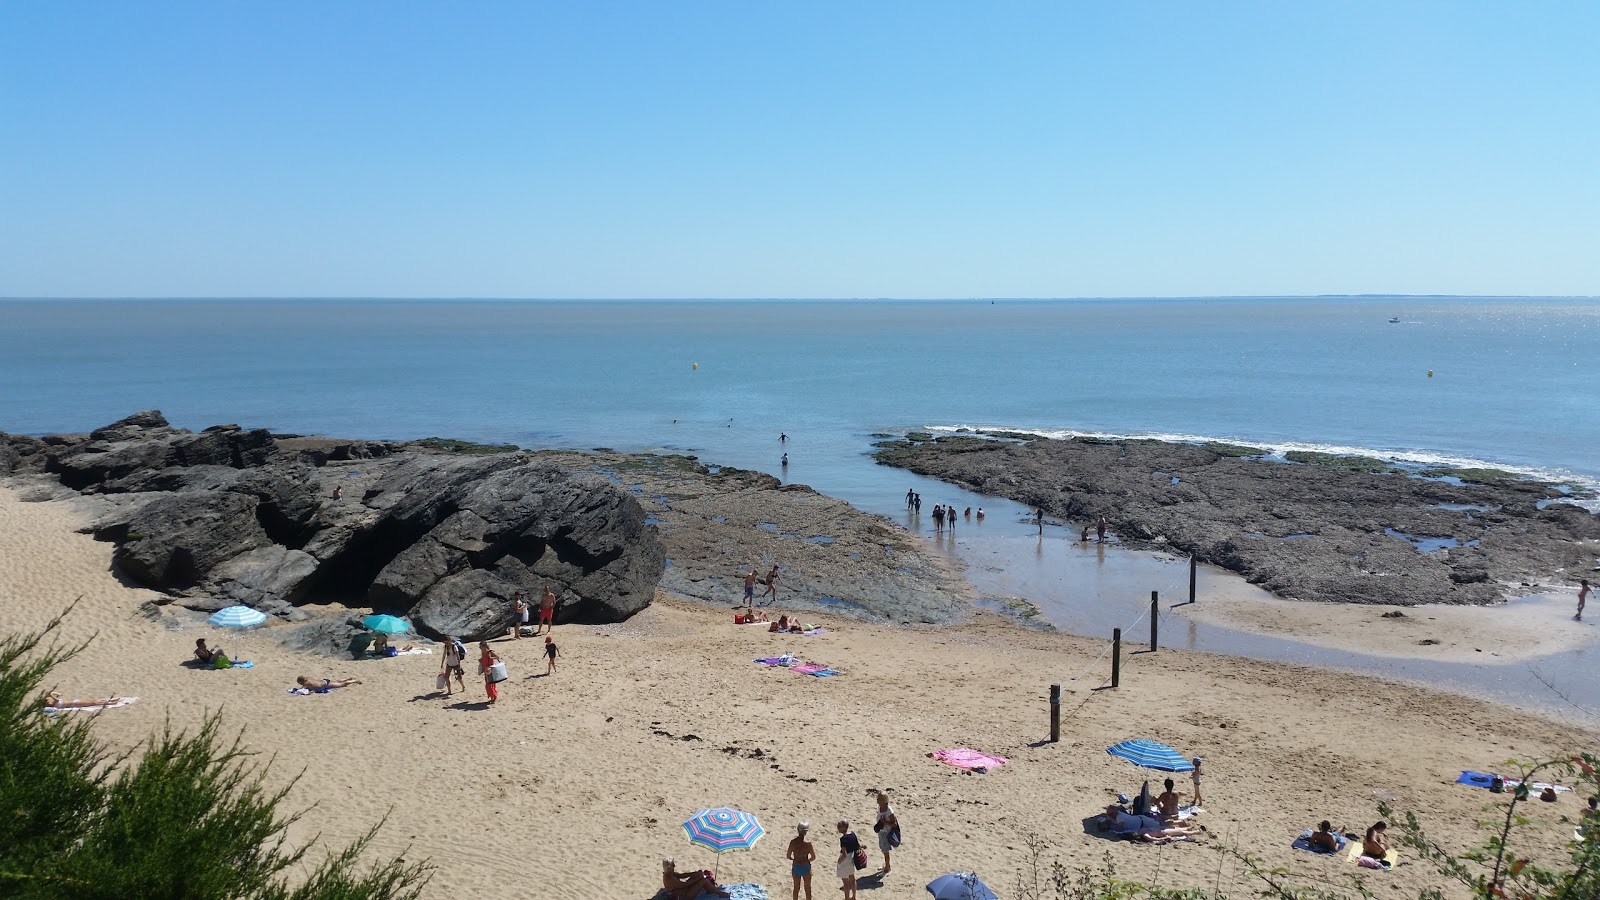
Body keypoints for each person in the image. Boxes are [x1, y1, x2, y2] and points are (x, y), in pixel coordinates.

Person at [662, 858, 726, 899]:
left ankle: (713, 891)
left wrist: (693, 874)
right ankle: (720, 894)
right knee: (702, 881)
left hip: (684, 890)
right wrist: (697, 879)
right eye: (673, 865)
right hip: (682, 896)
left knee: (699, 876)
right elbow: (684, 885)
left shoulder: (670, 873)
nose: (674, 866)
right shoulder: (669, 878)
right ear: (669, 867)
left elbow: (682, 875)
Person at [787, 822, 816, 900]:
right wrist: (807, 860)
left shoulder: (793, 842)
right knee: (807, 889)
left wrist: (795, 858)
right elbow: (813, 857)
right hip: (806, 866)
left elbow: (788, 856)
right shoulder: (808, 844)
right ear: (806, 832)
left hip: (796, 865)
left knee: (796, 888)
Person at [873, 791, 899, 874]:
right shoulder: (880, 807)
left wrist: (884, 822)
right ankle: (887, 865)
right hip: (881, 831)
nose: (877, 800)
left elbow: (894, 824)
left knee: (885, 850)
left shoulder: (889, 811)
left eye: (879, 799)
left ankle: (887, 867)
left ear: (883, 800)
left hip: (886, 832)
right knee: (883, 849)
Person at [835, 820, 860, 900]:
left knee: (845, 882)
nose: (837, 828)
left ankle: (846, 898)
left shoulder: (843, 839)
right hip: (852, 858)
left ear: (844, 827)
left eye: (839, 826)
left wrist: (839, 861)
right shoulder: (853, 834)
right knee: (852, 879)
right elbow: (857, 847)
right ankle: (854, 897)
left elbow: (844, 854)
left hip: (845, 860)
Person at [42, 691, 125, 710]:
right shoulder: (53, 705)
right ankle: (111, 702)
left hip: (76, 702)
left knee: (94, 701)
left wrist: (51, 693)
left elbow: (59, 694)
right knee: (94, 703)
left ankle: (110, 701)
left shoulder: (53, 703)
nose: (49, 701)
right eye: (47, 701)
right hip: (76, 704)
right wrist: (51, 695)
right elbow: (56, 699)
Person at [295, 676, 361, 690]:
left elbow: (301, 689)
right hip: (323, 681)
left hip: (325, 684)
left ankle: (354, 681)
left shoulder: (306, 683)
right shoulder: (308, 678)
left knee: (341, 684)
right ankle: (347, 678)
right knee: (336, 681)